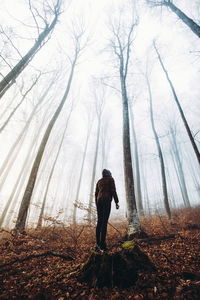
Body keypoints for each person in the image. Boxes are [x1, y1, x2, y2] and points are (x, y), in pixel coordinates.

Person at [95, 169, 119, 251]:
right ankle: (102, 245)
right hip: (106, 199)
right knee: (104, 222)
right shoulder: (110, 179)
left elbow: (96, 194)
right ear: (109, 173)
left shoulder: (99, 181)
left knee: (99, 222)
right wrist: (116, 202)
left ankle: (97, 244)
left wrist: (97, 204)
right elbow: (113, 190)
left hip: (99, 201)